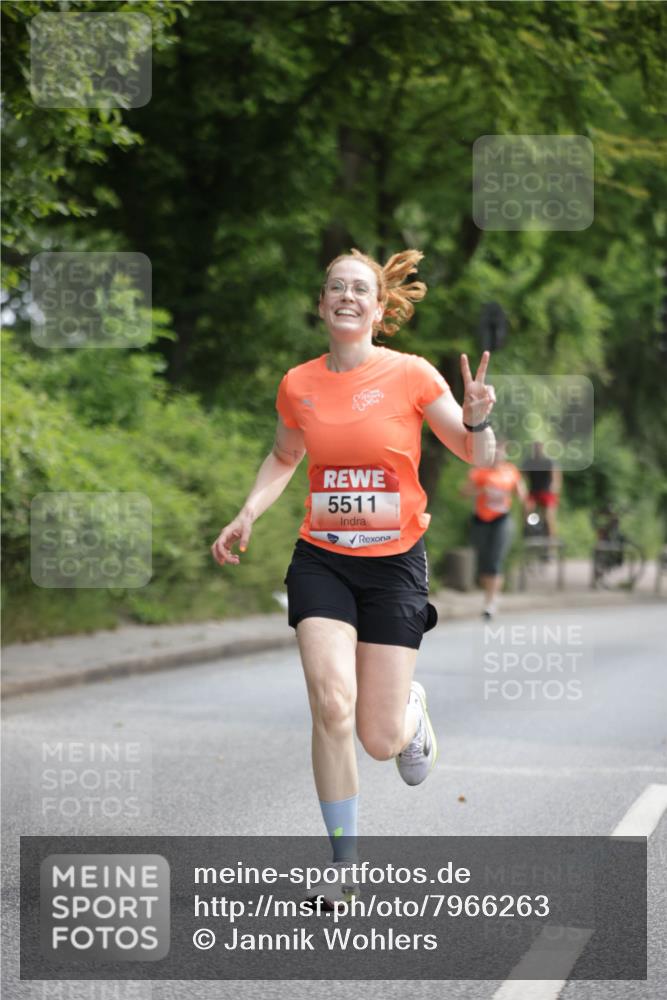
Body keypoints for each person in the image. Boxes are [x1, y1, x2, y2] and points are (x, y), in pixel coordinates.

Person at [211, 248, 496, 906]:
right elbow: (284, 455)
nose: (345, 296)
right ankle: (341, 862)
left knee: (377, 738)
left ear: (377, 307)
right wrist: (248, 512)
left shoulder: (412, 375)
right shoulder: (298, 383)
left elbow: (473, 451)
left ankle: (409, 714)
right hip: (323, 560)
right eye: (334, 287)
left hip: (395, 565)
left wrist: (478, 415)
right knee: (330, 704)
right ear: (321, 304)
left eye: (358, 289)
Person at [462, 439, 527, 619]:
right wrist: (481, 491)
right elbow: (464, 492)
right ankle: (488, 595)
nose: (498, 454)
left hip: (502, 520)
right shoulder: (479, 472)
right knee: (483, 560)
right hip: (481, 519)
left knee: (495, 560)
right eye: (495, 451)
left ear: (505, 453)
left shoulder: (511, 472)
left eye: (501, 451)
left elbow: (521, 493)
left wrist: (523, 501)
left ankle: (490, 602)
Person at [523, 441, 562, 541]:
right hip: (533, 492)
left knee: (549, 517)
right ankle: (527, 534)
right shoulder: (529, 462)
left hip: (547, 492)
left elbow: (556, 477)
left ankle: (551, 546)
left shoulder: (548, 461)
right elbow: (522, 476)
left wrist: (555, 487)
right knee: (527, 509)